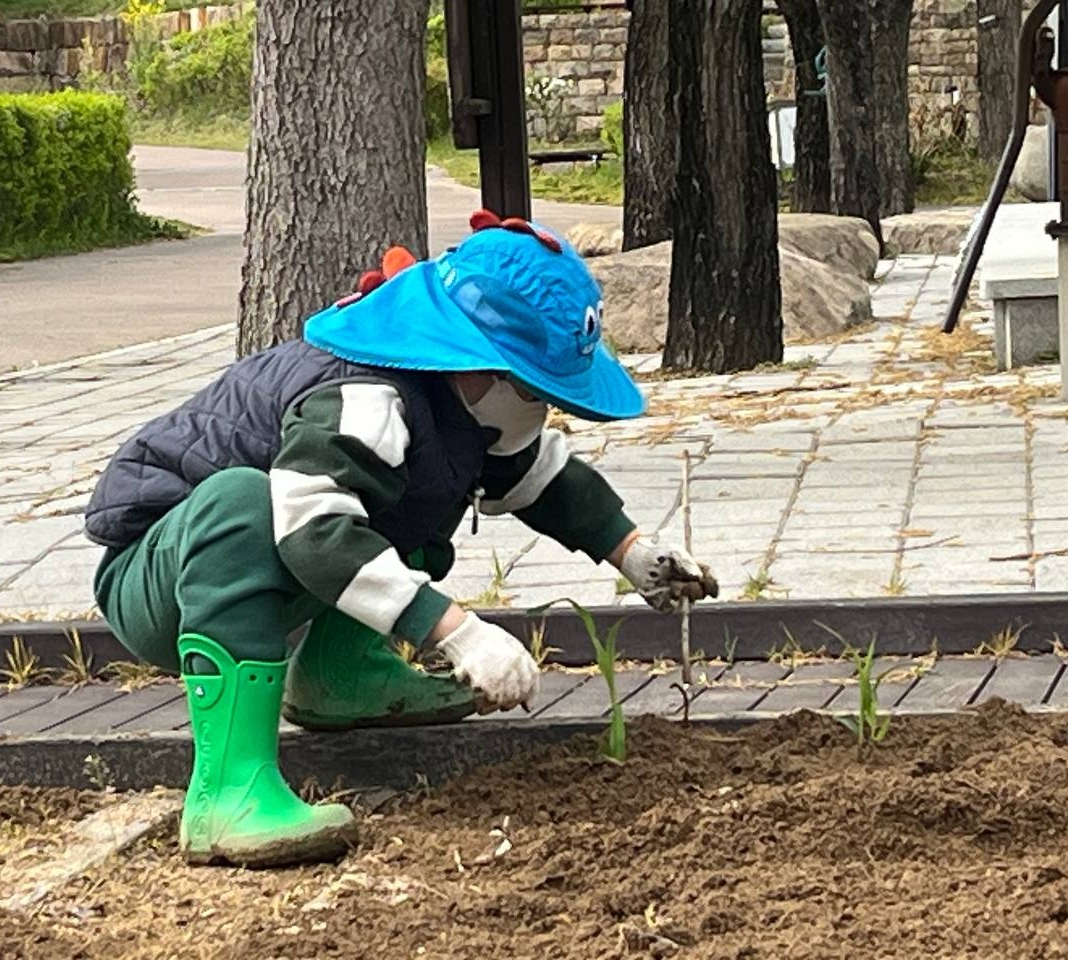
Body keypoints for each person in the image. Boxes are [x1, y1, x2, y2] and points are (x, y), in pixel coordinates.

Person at [83, 210, 718, 869]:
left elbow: (540, 478)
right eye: (534, 390)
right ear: (477, 361)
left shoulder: (458, 401)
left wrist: (635, 553)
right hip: (163, 578)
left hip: (255, 565)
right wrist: (457, 632)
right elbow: (314, 533)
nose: (543, 409)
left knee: (418, 496)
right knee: (249, 501)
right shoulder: (361, 396)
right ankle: (227, 793)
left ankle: (340, 679)